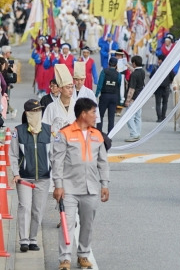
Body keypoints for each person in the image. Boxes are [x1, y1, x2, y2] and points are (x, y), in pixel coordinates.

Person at [51, 98, 110, 270]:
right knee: (66, 223)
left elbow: (103, 162)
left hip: (91, 188)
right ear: (83, 114)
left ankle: (83, 255)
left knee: (87, 223)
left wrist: (104, 184)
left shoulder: (97, 135)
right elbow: (57, 161)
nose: (95, 116)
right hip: (68, 188)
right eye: (93, 112)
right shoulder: (65, 133)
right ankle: (65, 259)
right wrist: (58, 185)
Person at [9, 99, 52, 253]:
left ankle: (33, 238)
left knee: (37, 209)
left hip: (43, 177)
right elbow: (13, 155)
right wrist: (16, 173)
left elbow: (54, 155)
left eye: (39, 111)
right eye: (33, 111)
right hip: (24, 177)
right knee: (24, 207)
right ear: (27, 113)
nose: (37, 114)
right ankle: (23, 240)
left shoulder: (48, 130)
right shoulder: (18, 131)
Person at [42, 65, 77, 132]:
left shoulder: (77, 105)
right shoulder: (51, 107)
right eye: (67, 87)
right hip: (56, 140)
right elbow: (45, 127)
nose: (70, 90)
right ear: (60, 89)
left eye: (72, 87)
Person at [95, 57, 122, 134]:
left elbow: (100, 84)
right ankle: (110, 134)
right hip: (114, 96)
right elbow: (119, 84)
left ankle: (99, 132)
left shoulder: (104, 72)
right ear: (116, 65)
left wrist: (96, 94)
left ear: (108, 64)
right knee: (111, 117)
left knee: (100, 115)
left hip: (104, 95)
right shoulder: (118, 74)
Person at [125, 55, 146, 142]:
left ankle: (134, 134)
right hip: (140, 97)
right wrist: (129, 67)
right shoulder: (142, 72)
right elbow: (136, 72)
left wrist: (128, 100)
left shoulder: (133, 75)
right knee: (137, 117)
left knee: (129, 117)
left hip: (133, 98)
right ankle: (137, 133)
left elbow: (131, 89)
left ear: (134, 63)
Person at [150, 54, 175, 122]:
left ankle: (159, 117)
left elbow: (151, 77)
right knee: (165, 103)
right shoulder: (169, 69)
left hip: (158, 89)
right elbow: (173, 77)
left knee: (158, 103)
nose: (158, 61)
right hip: (166, 88)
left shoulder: (156, 69)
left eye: (159, 60)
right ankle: (163, 116)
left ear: (161, 60)